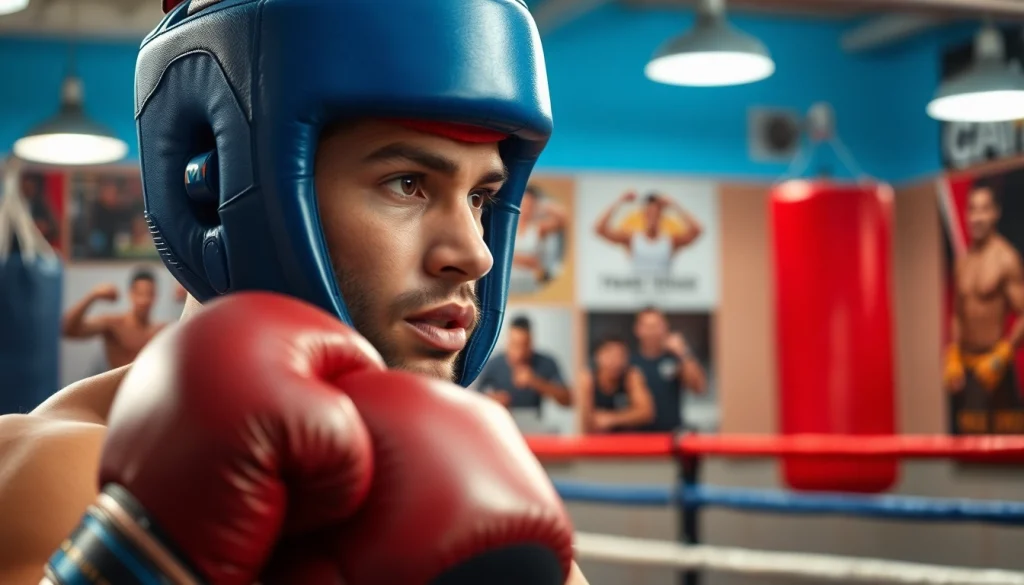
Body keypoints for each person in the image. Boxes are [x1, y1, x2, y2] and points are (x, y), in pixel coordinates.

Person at [0, 1, 590, 584]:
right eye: (407, 184)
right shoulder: (57, 474)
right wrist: (130, 556)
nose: (473, 253)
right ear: (218, 187)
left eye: (480, 197)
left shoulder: (466, 490)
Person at [945, 182, 1024, 435]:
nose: (977, 217)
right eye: (972, 210)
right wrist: (953, 352)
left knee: (1006, 457)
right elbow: (958, 313)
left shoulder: (1006, 258)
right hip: (967, 372)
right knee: (968, 452)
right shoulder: (963, 263)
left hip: (996, 369)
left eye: (984, 210)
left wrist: (1003, 354)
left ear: (995, 213)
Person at [61, 267, 168, 369]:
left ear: (155, 296)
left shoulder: (162, 331)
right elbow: (67, 329)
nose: (144, 300)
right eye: (139, 293)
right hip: (121, 386)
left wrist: (185, 297)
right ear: (131, 294)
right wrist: (93, 296)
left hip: (151, 387)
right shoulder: (114, 325)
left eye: (149, 294)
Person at [631, 307, 708, 432]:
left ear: (665, 327)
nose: (652, 331)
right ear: (637, 329)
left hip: (671, 437)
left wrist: (683, 352)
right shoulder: (630, 363)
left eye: (656, 326)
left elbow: (699, 388)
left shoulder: (676, 359)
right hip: (639, 438)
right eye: (647, 326)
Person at [594, 191, 704, 278]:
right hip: (637, 298)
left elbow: (697, 231)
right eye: (649, 213)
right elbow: (600, 229)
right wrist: (619, 201)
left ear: (661, 215)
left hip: (663, 298)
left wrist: (675, 205)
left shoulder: (670, 241)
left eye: (656, 213)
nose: (652, 217)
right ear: (644, 214)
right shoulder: (632, 240)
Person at [477, 316, 573, 412]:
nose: (520, 353)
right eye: (514, 344)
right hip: (501, 420)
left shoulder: (546, 363)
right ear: (507, 341)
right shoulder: (493, 364)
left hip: (533, 422)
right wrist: (493, 399)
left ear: (531, 342)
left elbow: (568, 400)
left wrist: (535, 382)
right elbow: (475, 397)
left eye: (524, 345)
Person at [577, 336, 655, 434]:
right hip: (598, 441)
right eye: (610, 355)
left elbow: (646, 413)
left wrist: (611, 419)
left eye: (621, 356)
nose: (615, 361)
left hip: (629, 440)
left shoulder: (631, 376)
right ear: (598, 356)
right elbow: (587, 421)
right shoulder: (588, 378)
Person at [510, 184, 569, 294]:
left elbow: (562, 219)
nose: (525, 209)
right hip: (509, 282)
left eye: (529, 205)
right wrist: (522, 260)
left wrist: (542, 204)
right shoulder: (506, 226)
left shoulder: (538, 228)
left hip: (530, 283)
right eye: (523, 203)